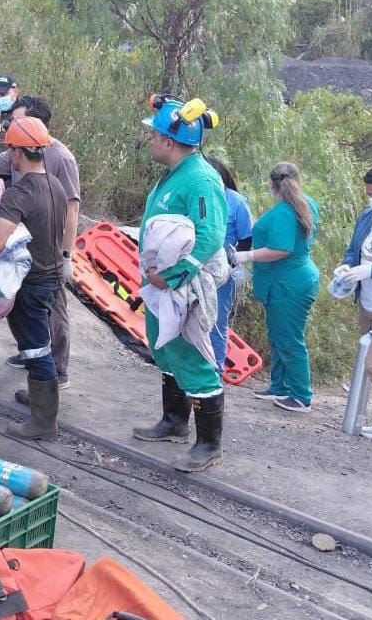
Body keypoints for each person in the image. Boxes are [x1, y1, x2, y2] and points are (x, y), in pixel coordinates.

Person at [132, 95, 228, 473]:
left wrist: (172, 276)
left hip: (182, 286)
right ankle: (174, 422)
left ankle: (209, 444)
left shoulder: (201, 179)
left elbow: (210, 235)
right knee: (167, 350)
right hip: (160, 285)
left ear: (169, 142)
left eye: (154, 136)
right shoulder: (174, 173)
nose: (151, 141)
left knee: (192, 358)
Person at [0, 116, 67, 440]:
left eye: (10, 148)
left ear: (17, 152)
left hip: (31, 280)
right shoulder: (54, 184)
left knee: (35, 347)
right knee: (38, 341)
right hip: (52, 273)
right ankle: (40, 395)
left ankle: (44, 423)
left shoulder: (19, 193)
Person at [0, 96, 81, 394]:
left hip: (47, 251)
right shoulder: (26, 158)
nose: (12, 124)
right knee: (25, 313)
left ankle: (56, 370)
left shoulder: (60, 159)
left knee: (53, 311)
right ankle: (33, 357)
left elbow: (72, 209)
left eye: (17, 120)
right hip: (23, 249)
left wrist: (67, 254)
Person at [234, 162, 319, 413]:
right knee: (278, 334)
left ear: (272, 184)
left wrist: (246, 257)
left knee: (289, 338)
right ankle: (280, 386)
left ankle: (301, 395)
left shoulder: (284, 212)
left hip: (289, 283)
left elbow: (281, 249)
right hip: (291, 279)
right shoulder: (305, 204)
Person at [336, 162, 372, 439]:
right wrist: (347, 267)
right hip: (367, 302)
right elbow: (353, 249)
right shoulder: (367, 217)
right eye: (371, 195)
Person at [207, 156, 253, 375]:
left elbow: (246, 238)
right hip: (199, 267)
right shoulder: (200, 198)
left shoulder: (236, 202)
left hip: (225, 271)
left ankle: (215, 368)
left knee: (217, 320)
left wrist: (231, 263)